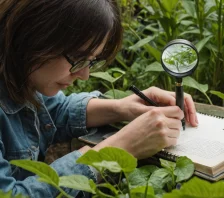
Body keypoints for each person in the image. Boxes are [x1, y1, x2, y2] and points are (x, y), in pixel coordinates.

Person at [0, 0, 198, 197]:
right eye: (78, 59)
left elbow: (52, 111)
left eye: (91, 62)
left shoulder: (19, 78)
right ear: (33, 34)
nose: (85, 75)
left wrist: (122, 107)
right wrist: (118, 148)